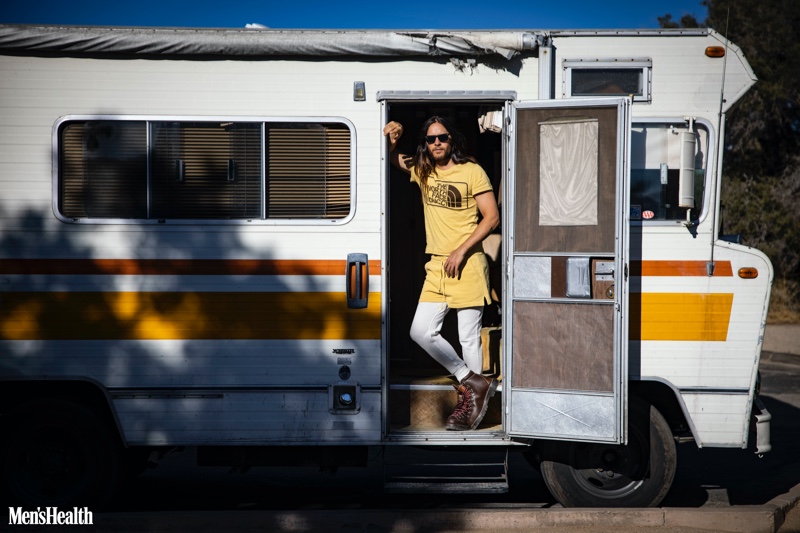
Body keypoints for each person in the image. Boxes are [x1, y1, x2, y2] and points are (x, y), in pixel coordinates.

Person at [383, 116, 500, 431]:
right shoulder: (423, 171)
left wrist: (461, 250)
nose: (437, 143)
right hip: (436, 265)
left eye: (443, 138)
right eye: (432, 138)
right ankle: (470, 380)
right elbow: (391, 158)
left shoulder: (472, 171)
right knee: (420, 331)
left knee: (467, 337)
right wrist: (392, 139)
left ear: (453, 141)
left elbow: (491, 217)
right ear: (425, 143)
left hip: (468, 263)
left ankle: (472, 408)